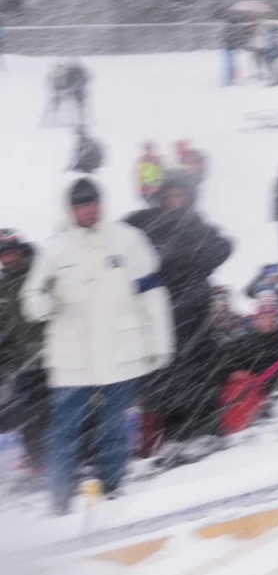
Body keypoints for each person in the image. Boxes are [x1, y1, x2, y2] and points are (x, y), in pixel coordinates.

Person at [22, 179, 174, 513]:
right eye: (82, 204)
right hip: (72, 356)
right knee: (65, 430)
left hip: (120, 351)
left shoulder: (127, 240)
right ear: (71, 209)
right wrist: (46, 304)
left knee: (115, 425)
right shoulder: (55, 248)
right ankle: (59, 501)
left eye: (94, 202)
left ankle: (113, 491)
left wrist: (159, 341)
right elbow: (31, 298)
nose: (90, 210)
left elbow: (151, 292)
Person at [125, 167, 234, 460]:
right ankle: (174, 435)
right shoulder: (145, 223)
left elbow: (222, 248)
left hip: (195, 314)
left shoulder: (196, 224)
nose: (176, 200)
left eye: (180, 195)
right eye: (171, 195)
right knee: (166, 379)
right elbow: (124, 245)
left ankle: (208, 430)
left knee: (200, 372)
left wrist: (191, 256)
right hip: (162, 315)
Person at [0, 229, 48, 479]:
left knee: (58, 408)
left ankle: (78, 453)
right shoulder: (2, 288)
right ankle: (38, 460)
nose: (8, 257)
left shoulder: (37, 275)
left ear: (19, 250)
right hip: (21, 364)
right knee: (27, 413)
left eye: (11, 251)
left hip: (52, 355)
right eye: (3, 254)